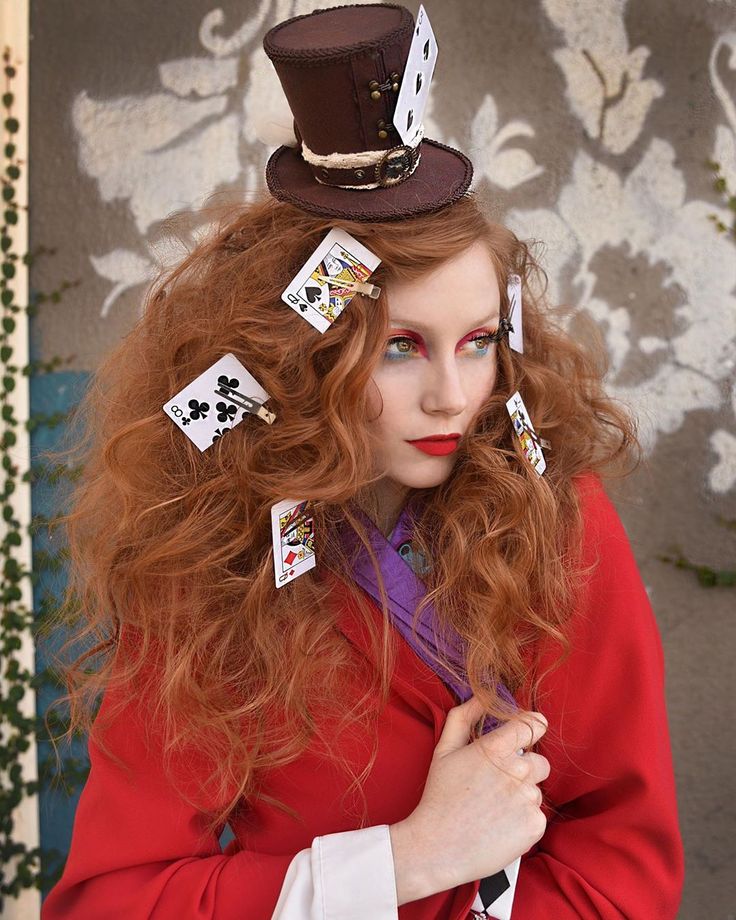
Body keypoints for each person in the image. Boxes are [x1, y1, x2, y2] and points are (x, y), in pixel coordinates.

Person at [41, 4, 684, 918]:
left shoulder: (559, 519)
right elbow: (110, 902)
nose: (453, 397)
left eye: (475, 342)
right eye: (399, 347)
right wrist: (397, 865)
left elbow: (623, 860)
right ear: (304, 356)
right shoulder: (205, 563)